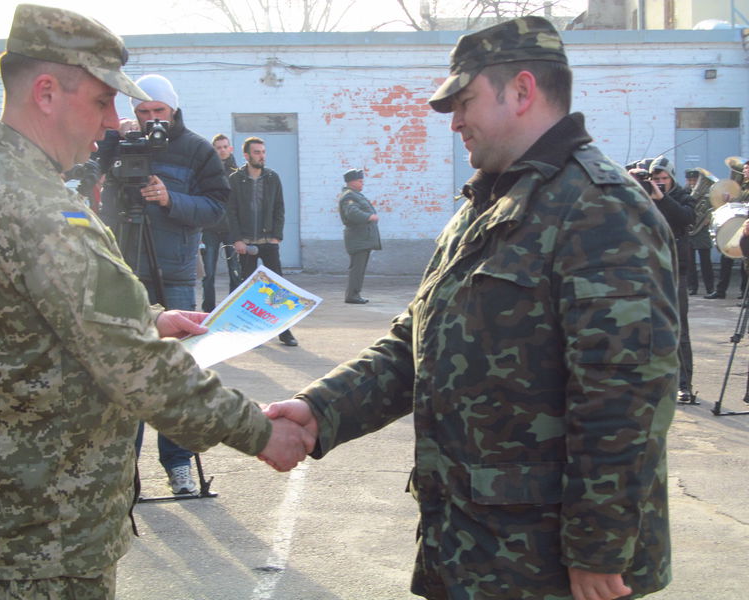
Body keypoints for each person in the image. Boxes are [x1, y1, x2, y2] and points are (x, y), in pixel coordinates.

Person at [265, 16, 679, 600]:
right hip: (470, 544)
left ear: (522, 91)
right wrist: (320, 408)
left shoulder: (600, 210)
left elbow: (626, 399)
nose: (454, 122)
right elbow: (419, 340)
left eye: (464, 102)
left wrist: (598, 548)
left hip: (550, 565)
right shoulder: (486, 204)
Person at [0, 4, 313, 597]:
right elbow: (135, 365)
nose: (113, 123)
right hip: (43, 532)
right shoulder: (38, 210)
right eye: (101, 101)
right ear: (46, 91)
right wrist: (257, 431)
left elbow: (10, 312)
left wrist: (150, 316)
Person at [99, 74, 231, 495]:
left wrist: (171, 200)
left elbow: (217, 208)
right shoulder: (119, 142)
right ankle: (126, 474)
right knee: (127, 373)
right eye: (142, 111)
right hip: (125, 270)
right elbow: (89, 185)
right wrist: (112, 141)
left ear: (173, 109)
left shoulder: (196, 149)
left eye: (158, 111)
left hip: (174, 272)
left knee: (175, 375)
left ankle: (178, 466)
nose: (151, 118)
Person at [227, 136, 298, 347]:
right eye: (257, 152)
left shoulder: (272, 177)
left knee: (278, 288)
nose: (261, 156)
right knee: (247, 288)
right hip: (246, 243)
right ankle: (248, 331)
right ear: (246, 155)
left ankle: (284, 331)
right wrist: (237, 239)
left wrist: (277, 236)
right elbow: (230, 212)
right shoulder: (235, 179)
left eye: (263, 152)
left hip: (269, 242)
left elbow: (279, 208)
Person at [647, 156, 696, 403]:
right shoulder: (643, 196)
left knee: (679, 329)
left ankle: (684, 385)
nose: (659, 182)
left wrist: (662, 198)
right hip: (649, 268)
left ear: (672, 178)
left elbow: (686, 218)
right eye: (655, 179)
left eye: (663, 178)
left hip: (676, 270)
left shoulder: (682, 196)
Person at [200, 133, 241, 313]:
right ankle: (208, 310)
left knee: (235, 272)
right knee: (208, 273)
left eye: (225, 147)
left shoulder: (239, 173)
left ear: (230, 149)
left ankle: (232, 309)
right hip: (209, 228)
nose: (222, 150)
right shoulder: (207, 171)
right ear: (214, 150)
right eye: (218, 147)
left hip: (231, 230)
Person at [705, 157, 749, 299]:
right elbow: (739, 203)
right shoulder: (742, 186)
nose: (745, 171)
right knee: (726, 256)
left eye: (747, 169)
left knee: (744, 261)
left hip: (745, 226)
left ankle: (744, 294)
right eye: (744, 169)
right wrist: (730, 199)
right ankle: (720, 290)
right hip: (736, 224)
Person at [339, 168, 381, 304]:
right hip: (358, 238)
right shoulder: (349, 196)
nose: (362, 183)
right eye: (360, 181)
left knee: (359, 268)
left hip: (362, 238)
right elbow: (352, 213)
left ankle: (355, 294)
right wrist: (369, 217)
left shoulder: (355, 194)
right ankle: (352, 295)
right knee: (357, 269)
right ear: (352, 182)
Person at [685, 168, 715, 296]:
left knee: (705, 261)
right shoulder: (684, 192)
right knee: (690, 262)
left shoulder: (708, 193)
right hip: (689, 229)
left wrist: (710, 217)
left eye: (695, 179)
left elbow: (714, 207)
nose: (692, 182)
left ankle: (710, 287)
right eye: (690, 180)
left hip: (702, 229)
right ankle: (692, 287)